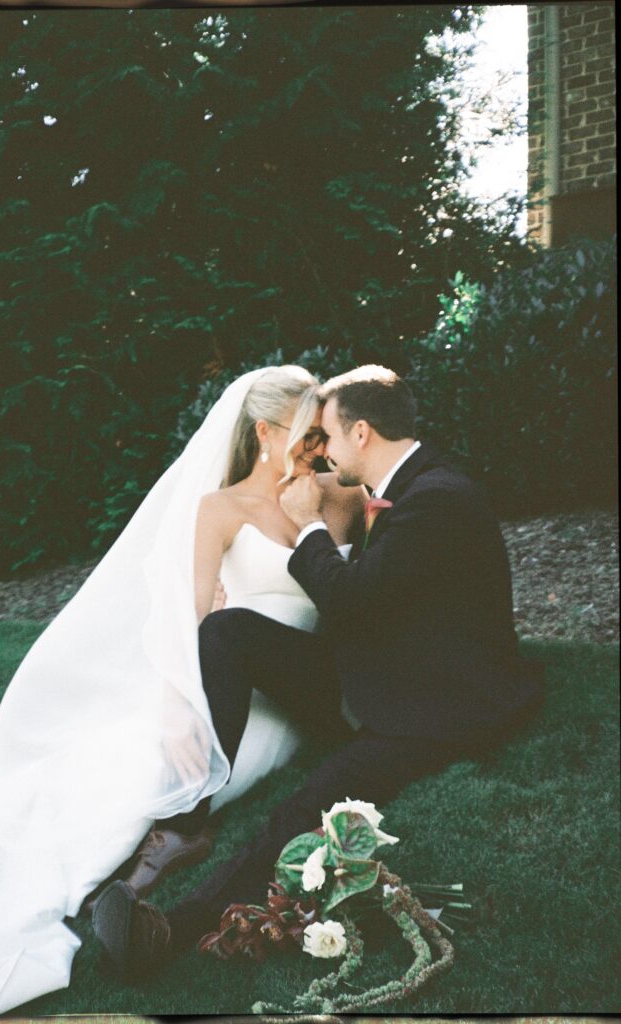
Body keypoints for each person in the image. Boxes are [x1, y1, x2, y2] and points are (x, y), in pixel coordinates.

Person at [0, 364, 364, 1017]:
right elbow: (185, 618)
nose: (316, 450)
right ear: (264, 433)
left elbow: (383, 565)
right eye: (304, 436)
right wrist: (172, 706)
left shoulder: (335, 495)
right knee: (132, 767)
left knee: (182, 766)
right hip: (229, 679)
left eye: (321, 436)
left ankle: (168, 838)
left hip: (298, 687)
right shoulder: (216, 510)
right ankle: (128, 848)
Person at [91, 364, 545, 983]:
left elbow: (354, 601)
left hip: (433, 704)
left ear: (360, 434)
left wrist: (306, 527)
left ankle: (168, 933)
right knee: (228, 631)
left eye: (327, 436)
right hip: (376, 666)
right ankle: (188, 817)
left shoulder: (434, 499)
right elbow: (373, 606)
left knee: (307, 806)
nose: (321, 452)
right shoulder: (405, 484)